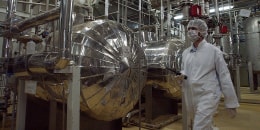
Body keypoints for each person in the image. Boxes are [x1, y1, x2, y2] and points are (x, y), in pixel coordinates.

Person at [180, 19, 239, 130]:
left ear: (202, 31)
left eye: (194, 28)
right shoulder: (186, 52)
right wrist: (181, 75)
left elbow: (224, 76)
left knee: (199, 126)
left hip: (208, 94)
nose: (190, 31)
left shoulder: (213, 51)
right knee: (205, 124)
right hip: (191, 95)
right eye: (189, 29)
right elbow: (184, 70)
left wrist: (231, 102)